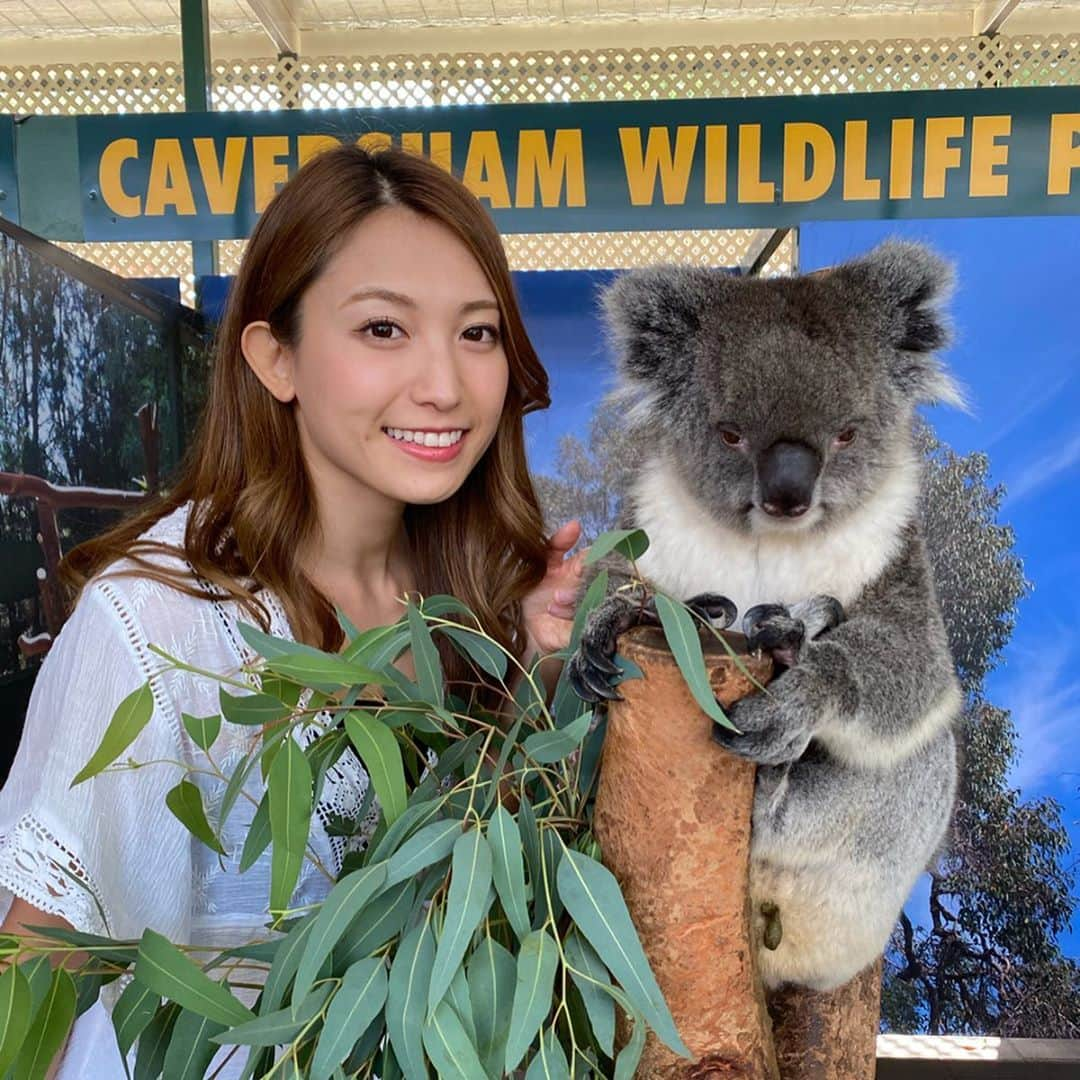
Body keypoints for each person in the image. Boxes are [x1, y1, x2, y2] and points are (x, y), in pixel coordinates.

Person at [0, 144, 584, 1077]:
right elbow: (37, 970)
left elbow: (468, 902)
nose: (444, 384)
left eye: (477, 333)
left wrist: (539, 670)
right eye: (384, 330)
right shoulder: (163, 624)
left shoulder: (477, 601)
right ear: (276, 357)